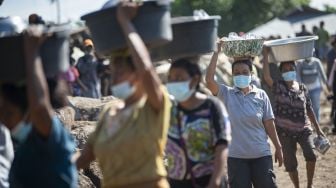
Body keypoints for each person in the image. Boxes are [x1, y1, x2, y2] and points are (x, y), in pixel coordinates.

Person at [76, 2, 172, 188]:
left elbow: (145, 67)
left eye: (120, 72)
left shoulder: (153, 105)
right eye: (113, 71)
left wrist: (125, 23)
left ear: (137, 74)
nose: (114, 78)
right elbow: (85, 157)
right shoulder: (109, 113)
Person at [0, 26, 77, 187]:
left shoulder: (53, 142)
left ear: (29, 110)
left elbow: (40, 108)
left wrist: (32, 51)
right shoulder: (22, 153)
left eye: (9, 113)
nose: (4, 121)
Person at [206, 41, 283, 188]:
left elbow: (269, 123)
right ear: (232, 75)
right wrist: (216, 52)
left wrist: (278, 148)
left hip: (261, 155)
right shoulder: (226, 94)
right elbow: (209, 80)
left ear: (251, 74)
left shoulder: (261, 95)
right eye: (237, 73)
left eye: (244, 72)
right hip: (236, 158)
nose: (240, 75)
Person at [263, 47, 326, 188]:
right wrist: (265, 55)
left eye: (291, 69)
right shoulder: (278, 87)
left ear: (295, 70)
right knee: (290, 164)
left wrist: (318, 129)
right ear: (281, 73)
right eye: (285, 70)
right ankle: (297, 186)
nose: (288, 72)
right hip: (284, 132)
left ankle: (309, 185)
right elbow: (267, 77)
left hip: (304, 128)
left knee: (311, 155)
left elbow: (309, 109)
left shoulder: (303, 88)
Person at [165, 59, 231, 188]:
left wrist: (215, 180)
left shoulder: (212, 106)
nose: (173, 82)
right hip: (177, 183)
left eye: (179, 78)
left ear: (194, 80)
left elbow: (222, 144)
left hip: (208, 181)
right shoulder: (170, 109)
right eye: (170, 78)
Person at [296, 57, 329, 122]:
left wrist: (327, 84)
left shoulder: (317, 62)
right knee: (305, 107)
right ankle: (307, 124)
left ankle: (317, 123)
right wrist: (300, 87)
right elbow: (298, 76)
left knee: (316, 107)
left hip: (316, 89)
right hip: (304, 90)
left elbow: (322, 74)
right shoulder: (300, 63)